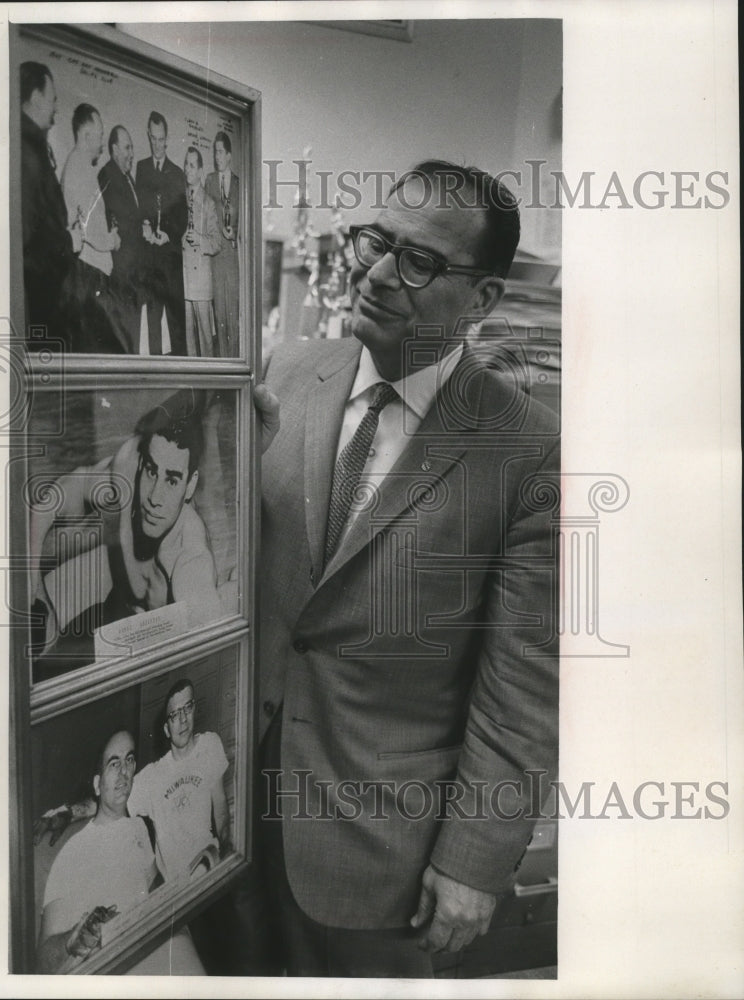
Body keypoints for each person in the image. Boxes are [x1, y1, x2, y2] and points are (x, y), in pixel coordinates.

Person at [252, 159, 560, 977]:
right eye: (376, 242)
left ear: (485, 301)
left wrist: (473, 861)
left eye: (418, 261)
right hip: (224, 816)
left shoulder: (527, 450)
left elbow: (522, 692)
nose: (379, 274)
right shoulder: (287, 373)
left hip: (378, 853)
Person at [30, 390, 224, 679]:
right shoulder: (125, 478)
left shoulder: (190, 556)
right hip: (113, 615)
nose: (155, 497)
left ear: (190, 485)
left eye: (172, 480)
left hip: (153, 660)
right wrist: (33, 585)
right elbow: (50, 502)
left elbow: (207, 657)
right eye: (150, 471)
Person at [36, 729, 204, 974]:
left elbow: (150, 879)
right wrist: (75, 940)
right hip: (117, 962)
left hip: (157, 941)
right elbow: (42, 962)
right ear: (97, 783)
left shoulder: (137, 826)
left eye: (129, 760)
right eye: (114, 763)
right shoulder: (75, 851)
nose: (124, 771)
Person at [19, 61, 80, 348]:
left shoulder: (32, 147)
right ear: (35, 97)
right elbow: (28, 239)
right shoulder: (26, 153)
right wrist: (68, 244)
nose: (56, 107)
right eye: (53, 98)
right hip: (41, 304)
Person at [60, 103, 123, 353]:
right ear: (86, 135)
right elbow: (91, 232)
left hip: (90, 274)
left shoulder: (80, 167)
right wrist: (113, 241)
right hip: (88, 275)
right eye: (99, 136)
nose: (101, 143)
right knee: (96, 351)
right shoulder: (79, 169)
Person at [136, 111, 187, 355]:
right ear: (148, 137)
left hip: (170, 261)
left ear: (167, 139)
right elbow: (139, 209)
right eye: (153, 139)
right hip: (149, 261)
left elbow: (183, 218)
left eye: (161, 139)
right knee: (153, 322)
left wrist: (168, 235)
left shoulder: (178, 174)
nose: (157, 144)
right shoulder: (141, 169)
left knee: (176, 324)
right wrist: (144, 224)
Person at [99, 125, 146, 352]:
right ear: (115, 149)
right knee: (123, 341)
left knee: (132, 338)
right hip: (121, 275)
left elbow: (133, 217)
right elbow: (116, 223)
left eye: (132, 147)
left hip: (134, 275)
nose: (131, 153)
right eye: (127, 147)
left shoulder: (128, 177)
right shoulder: (107, 175)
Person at [181, 147, 220, 358]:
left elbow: (217, 242)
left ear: (200, 170)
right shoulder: (179, 199)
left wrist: (199, 240)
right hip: (185, 279)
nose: (187, 169)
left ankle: (210, 387)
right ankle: (194, 388)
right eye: (186, 164)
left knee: (205, 339)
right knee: (189, 340)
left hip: (201, 282)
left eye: (192, 165)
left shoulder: (208, 203)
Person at [204, 131, 239, 357]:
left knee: (232, 314)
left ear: (228, 155)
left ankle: (235, 360)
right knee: (218, 316)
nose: (216, 156)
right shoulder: (208, 181)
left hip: (232, 255)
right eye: (214, 152)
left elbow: (243, 220)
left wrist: (233, 232)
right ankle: (223, 362)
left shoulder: (237, 183)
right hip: (215, 256)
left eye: (219, 152)